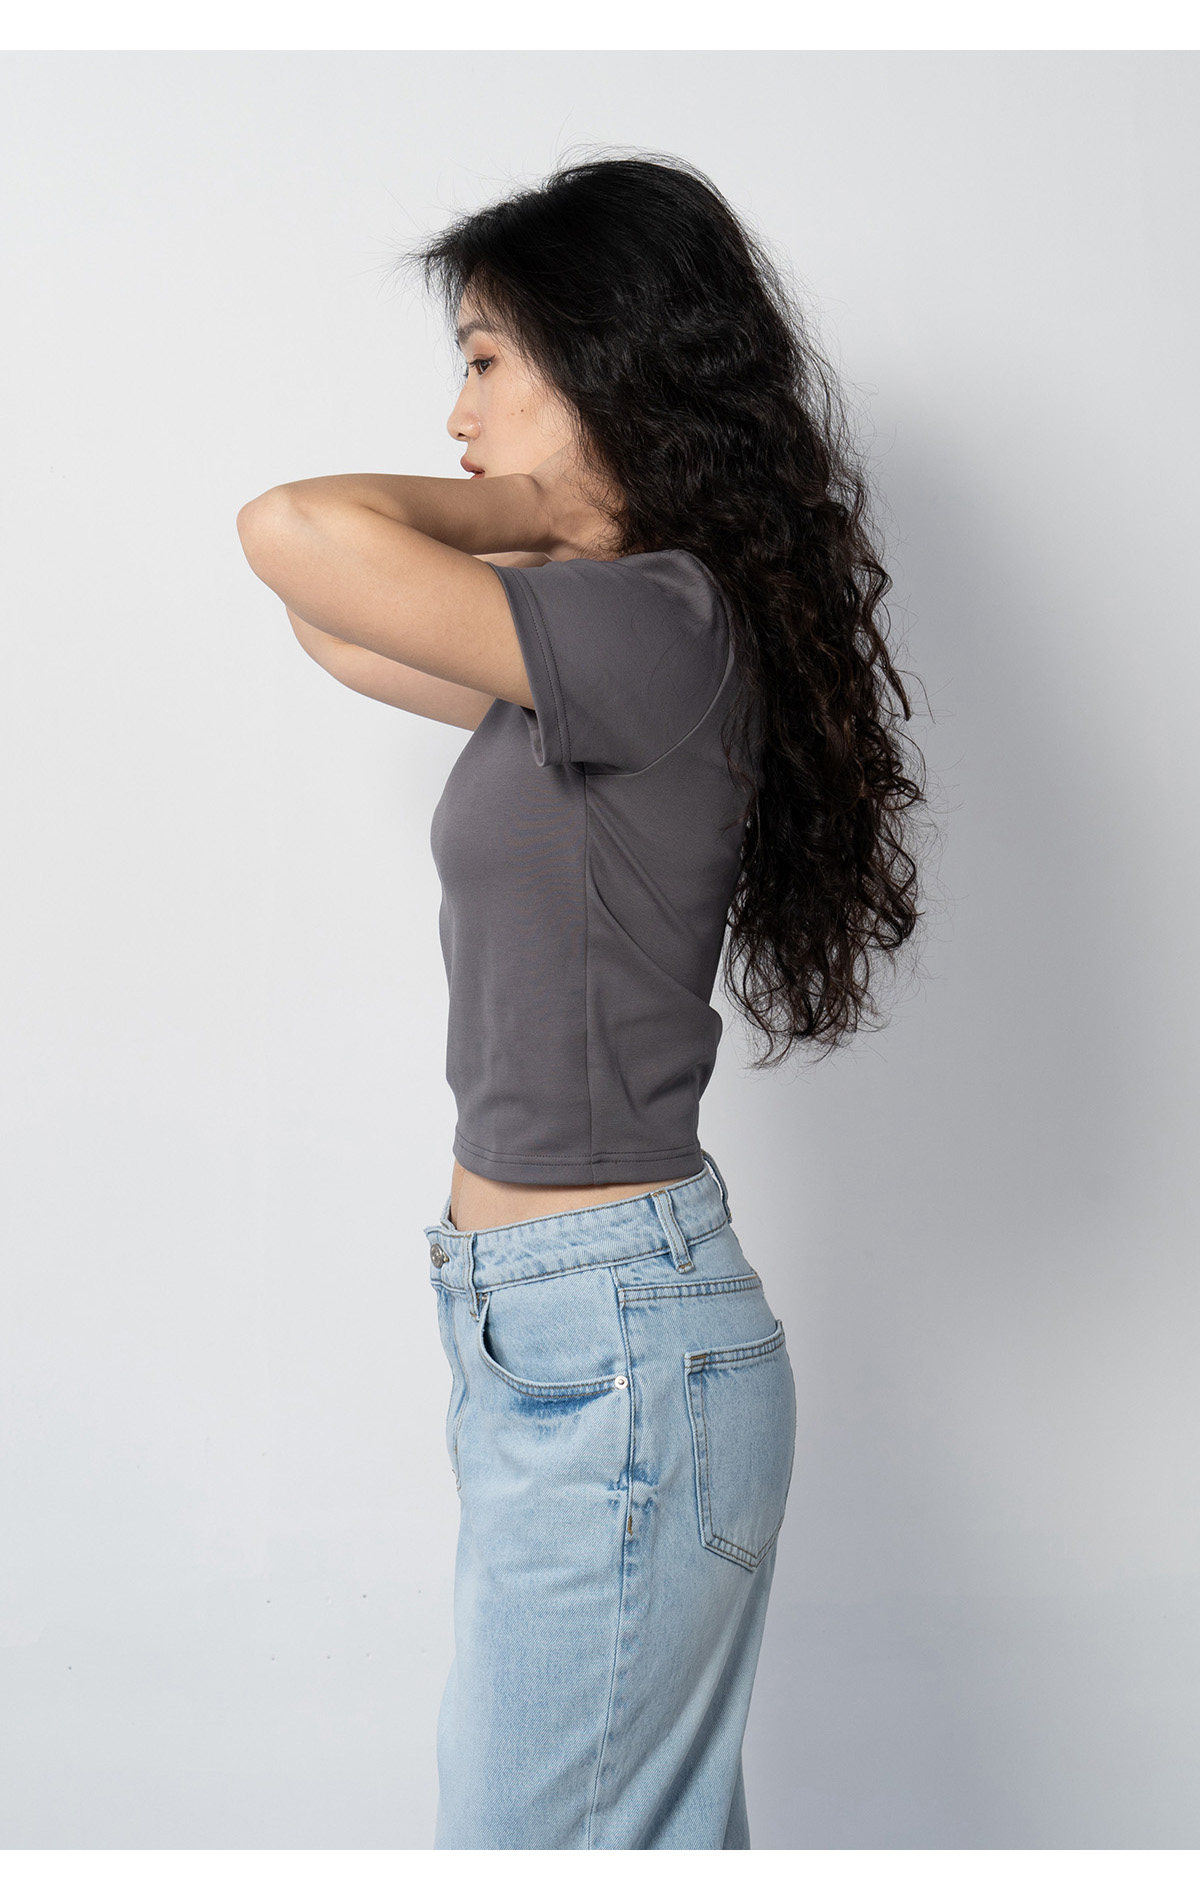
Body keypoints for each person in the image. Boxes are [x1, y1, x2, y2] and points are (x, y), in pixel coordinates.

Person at [236, 149, 929, 1850]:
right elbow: (331, 619)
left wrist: (543, 508)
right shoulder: (603, 640)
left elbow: (293, 527)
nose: (457, 416)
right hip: (567, 1331)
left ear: (610, 362)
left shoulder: (657, 624)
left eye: (487, 360)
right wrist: (553, 521)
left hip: (608, 1336)